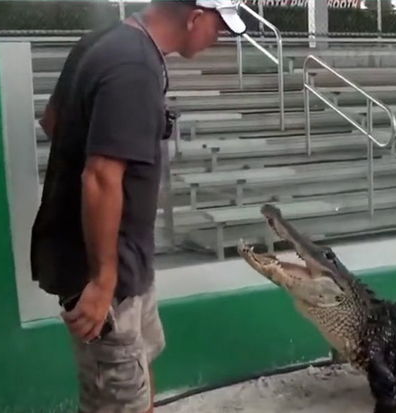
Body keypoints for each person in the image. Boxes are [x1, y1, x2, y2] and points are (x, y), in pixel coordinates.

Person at [30, 1, 246, 412]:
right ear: (194, 17)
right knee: (117, 397)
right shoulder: (134, 68)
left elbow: (53, 122)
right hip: (105, 276)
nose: (219, 38)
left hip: (126, 262)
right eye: (219, 27)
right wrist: (102, 281)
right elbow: (100, 177)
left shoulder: (104, 43)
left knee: (139, 371)